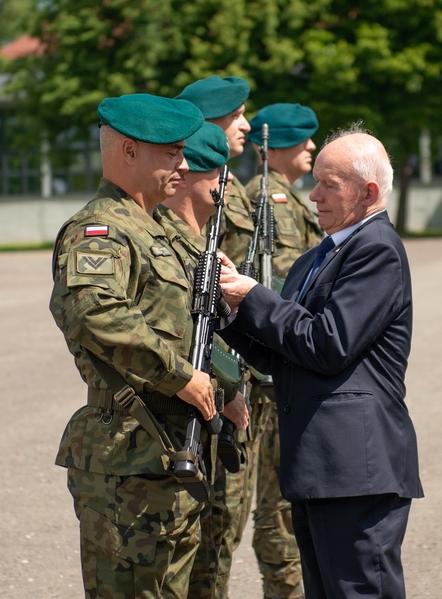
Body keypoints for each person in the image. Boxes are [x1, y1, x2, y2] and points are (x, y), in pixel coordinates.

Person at [217, 127, 423, 599]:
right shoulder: (319, 256)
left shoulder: (376, 250)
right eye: (316, 181)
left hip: (356, 468)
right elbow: (281, 353)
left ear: (368, 192)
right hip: (321, 466)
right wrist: (229, 310)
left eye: (330, 184)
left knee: (360, 591)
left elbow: (328, 343)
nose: (314, 195)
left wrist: (255, 295)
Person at [50, 93, 217, 598]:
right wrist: (181, 376)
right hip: (127, 460)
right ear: (128, 151)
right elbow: (94, 312)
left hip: (174, 449)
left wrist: (223, 385)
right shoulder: (100, 229)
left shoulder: (160, 228)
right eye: (171, 152)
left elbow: (197, 322)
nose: (183, 164)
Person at [177, 75, 296, 599]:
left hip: (247, 381)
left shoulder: (233, 191)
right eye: (237, 115)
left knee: (233, 523)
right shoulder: (196, 195)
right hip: (217, 388)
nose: (247, 124)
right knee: (211, 532)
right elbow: (199, 307)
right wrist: (226, 385)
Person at [233, 102, 324, 599]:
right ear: (280, 145)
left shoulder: (286, 197)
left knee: (282, 502)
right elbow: (285, 285)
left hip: (279, 362)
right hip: (269, 373)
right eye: (303, 138)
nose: (311, 146)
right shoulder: (272, 200)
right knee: (277, 504)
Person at [154, 121, 236, 599]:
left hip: (196, 424)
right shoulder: (123, 232)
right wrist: (193, 379)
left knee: (203, 564)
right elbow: (101, 322)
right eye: (217, 175)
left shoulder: (190, 242)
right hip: (150, 436)